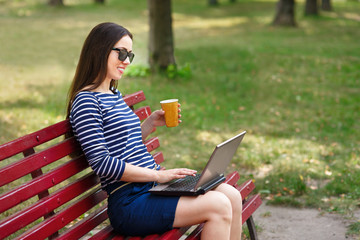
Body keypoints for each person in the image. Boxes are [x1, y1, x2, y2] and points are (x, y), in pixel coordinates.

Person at [66, 22, 242, 240]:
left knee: (231, 195)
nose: (126, 61)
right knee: (218, 205)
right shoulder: (86, 101)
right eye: (121, 52)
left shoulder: (112, 94)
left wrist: (148, 124)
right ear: (99, 49)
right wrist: (158, 175)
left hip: (151, 189)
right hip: (130, 202)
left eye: (129, 55)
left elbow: (122, 146)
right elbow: (102, 163)